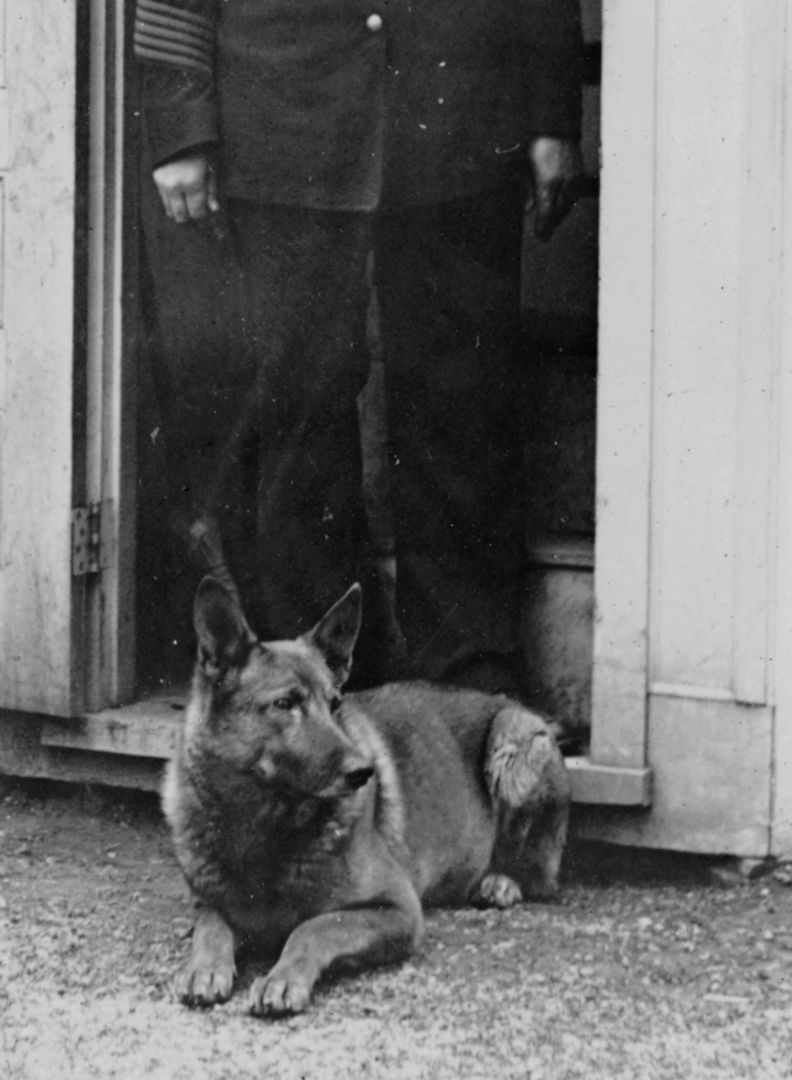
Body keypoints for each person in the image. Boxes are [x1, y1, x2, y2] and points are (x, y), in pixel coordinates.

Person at [133, 0, 585, 692]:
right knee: (300, 407)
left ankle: (466, 684)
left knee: (460, 408)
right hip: (286, 117)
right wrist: (182, 121)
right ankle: (322, 682)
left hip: (455, 113)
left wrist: (551, 110)